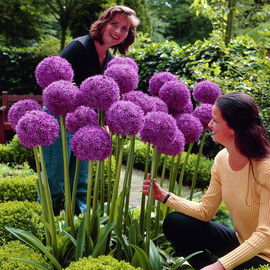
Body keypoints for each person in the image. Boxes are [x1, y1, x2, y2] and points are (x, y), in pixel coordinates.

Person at [142, 92, 270, 270]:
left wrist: (220, 266)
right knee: (175, 223)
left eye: (215, 120)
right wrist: (164, 196)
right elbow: (205, 211)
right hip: (243, 244)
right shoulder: (221, 159)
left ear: (234, 127)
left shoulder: (266, 170)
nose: (209, 125)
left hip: (266, 257)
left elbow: (265, 234)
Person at [43, 5, 140, 216]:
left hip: (85, 124)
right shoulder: (78, 47)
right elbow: (53, 85)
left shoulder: (112, 62)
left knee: (80, 183)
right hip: (58, 119)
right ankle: (48, 230)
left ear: (128, 35)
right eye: (114, 23)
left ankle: (78, 230)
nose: (118, 31)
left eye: (124, 28)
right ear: (103, 23)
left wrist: (105, 122)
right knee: (55, 180)